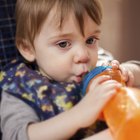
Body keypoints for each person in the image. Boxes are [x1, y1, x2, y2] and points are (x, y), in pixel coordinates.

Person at [0, 0, 138, 140]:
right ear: (27, 48)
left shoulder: (99, 65)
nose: (83, 55)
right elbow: (16, 136)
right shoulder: (20, 86)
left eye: (90, 40)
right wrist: (79, 115)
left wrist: (126, 71)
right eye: (63, 44)